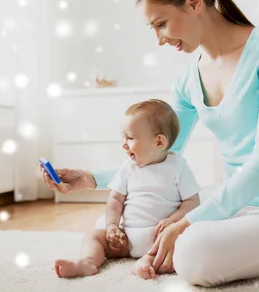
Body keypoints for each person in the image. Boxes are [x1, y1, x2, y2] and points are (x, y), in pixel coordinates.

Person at [43, 0, 259, 287]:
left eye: (161, 23)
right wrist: (91, 178)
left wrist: (190, 221)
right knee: (121, 222)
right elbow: (158, 151)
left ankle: (184, 247)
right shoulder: (189, 80)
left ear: (193, 2)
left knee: (193, 252)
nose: (159, 39)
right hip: (235, 204)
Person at [52, 99, 201, 280]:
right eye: (123, 138)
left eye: (130, 138)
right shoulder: (128, 168)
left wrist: (173, 220)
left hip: (160, 237)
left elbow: (192, 202)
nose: (123, 144)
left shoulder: (178, 166)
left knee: (184, 246)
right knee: (94, 236)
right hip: (126, 239)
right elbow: (115, 200)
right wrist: (112, 226)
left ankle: (147, 262)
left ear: (159, 142)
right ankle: (87, 261)